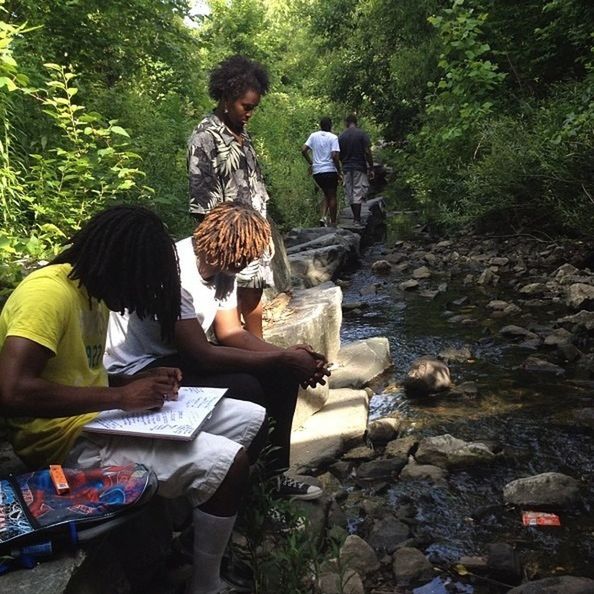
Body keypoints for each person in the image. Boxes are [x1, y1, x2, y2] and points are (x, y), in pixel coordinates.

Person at [0, 205, 266, 594]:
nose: (129, 300)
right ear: (118, 263)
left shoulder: (94, 294)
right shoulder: (48, 294)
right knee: (228, 463)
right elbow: (12, 390)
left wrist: (138, 380)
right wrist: (121, 396)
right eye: (135, 283)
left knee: (247, 417)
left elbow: (79, 375)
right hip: (59, 440)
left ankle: (179, 536)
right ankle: (205, 584)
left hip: (94, 418)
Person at [105, 202, 330, 501]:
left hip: (177, 357)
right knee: (246, 387)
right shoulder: (174, 271)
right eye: (243, 254)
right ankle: (233, 477)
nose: (247, 260)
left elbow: (230, 333)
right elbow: (201, 354)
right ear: (221, 245)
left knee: (282, 374)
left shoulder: (225, 266)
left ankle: (271, 476)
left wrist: (291, 357)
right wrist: (281, 357)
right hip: (139, 367)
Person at [187, 55, 272, 339]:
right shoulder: (205, 137)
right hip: (230, 242)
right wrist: (221, 249)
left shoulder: (242, 135)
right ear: (226, 97)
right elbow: (202, 204)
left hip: (254, 234)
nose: (250, 114)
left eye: (254, 109)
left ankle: (261, 351)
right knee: (230, 312)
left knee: (254, 299)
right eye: (245, 107)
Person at [301, 117, 341, 226]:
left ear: (320, 125)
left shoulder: (313, 136)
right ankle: (333, 222)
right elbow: (334, 155)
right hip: (330, 170)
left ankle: (323, 218)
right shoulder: (333, 138)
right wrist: (339, 171)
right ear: (330, 126)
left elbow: (303, 149)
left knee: (325, 194)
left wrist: (311, 163)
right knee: (332, 195)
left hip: (317, 172)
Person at [338, 114, 374, 225]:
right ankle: (357, 220)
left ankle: (355, 218)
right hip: (359, 167)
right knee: (358, 191)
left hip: (347, 167)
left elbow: (338, 154)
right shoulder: (362, 134)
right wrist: (371, 166)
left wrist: (341, 166)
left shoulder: (341, 136)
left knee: (350, 193)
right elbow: (367, 151)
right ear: (356, 122)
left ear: (346, 123)